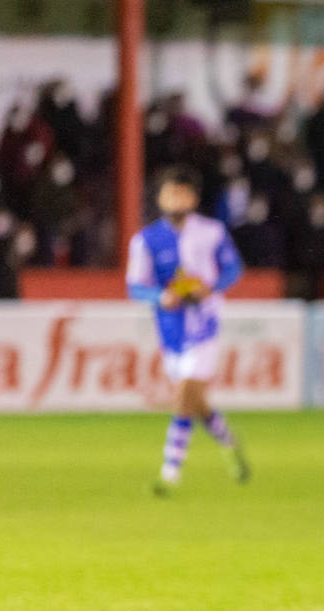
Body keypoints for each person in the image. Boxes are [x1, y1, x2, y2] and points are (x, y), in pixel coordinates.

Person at [126, 166, 250, 495]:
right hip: (170, 329)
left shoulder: (212, 231)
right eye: (171, 192)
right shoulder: (146, 240)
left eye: (183, 192)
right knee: (197, 402)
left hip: (205, 325)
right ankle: (228, 442)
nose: (177, 199)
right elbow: (135, 287)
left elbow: (233, 267)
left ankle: (170, 472)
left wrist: (212, 287)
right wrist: (160, 296)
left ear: (193, 198)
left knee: (182, 397)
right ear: (159, 198)